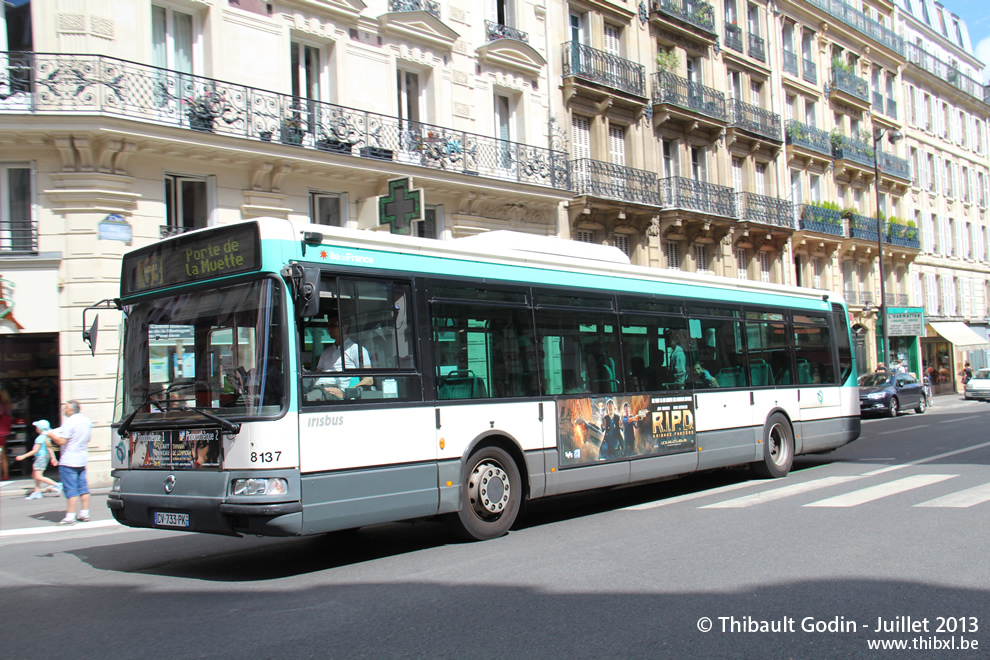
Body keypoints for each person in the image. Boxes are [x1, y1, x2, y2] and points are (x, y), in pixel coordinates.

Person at [43, 400, 93, 525]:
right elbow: (89, 439)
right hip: (82, 459)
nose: (63, 410)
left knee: (71, 490)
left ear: (71, 410)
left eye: (65, 408)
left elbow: (61, 441)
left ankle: (70, 517)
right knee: (83, 488)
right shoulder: (87, 421)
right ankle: (84, 513)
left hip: (69, 460)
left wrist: (50, 435)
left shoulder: (69, 422)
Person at [316, 316, 373, 399]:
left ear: (345, 327)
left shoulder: (356, 349)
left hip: (335, 393)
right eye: (327, 326)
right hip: (318, 388)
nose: (329, 329)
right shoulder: (326, 352)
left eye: (332, 325)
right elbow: (316, 375)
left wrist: (346, 394)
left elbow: (369, 380)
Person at [14, 420, 62, 499]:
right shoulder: (46, 437)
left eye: (36, 427)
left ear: (39, 428)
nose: (36, 428)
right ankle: (37, 491)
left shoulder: (39, 438)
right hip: (44, 457)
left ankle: (57, 485)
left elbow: (35, 450)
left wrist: (23, 456)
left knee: (38, 476)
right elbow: (49, 448)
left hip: (40, 458)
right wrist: (53, 458)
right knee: (35, 475)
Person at [0, 389, 11, 482]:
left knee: (1, 454)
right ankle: (5, 474)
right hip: (4, 432)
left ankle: (4, 474)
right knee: (2, 454)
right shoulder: (7, 406)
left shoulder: (1, 406)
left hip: (0, 433)